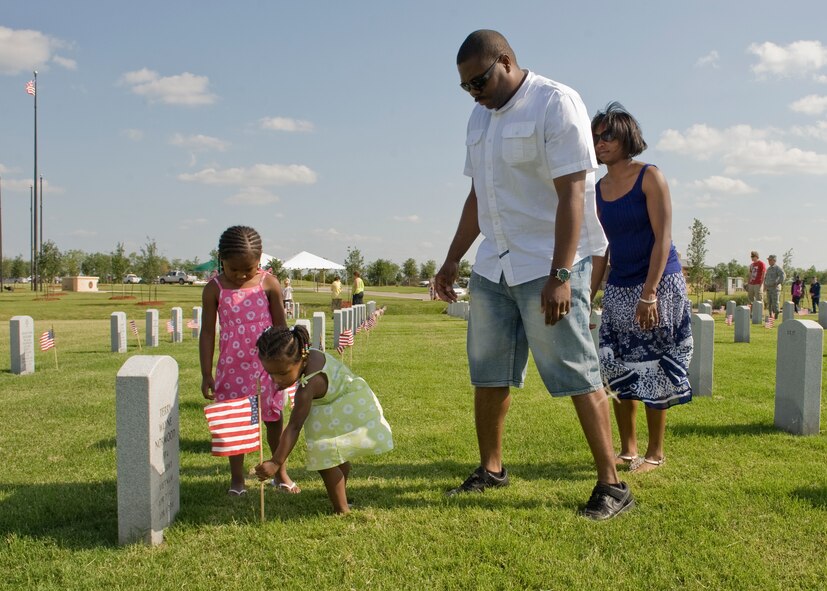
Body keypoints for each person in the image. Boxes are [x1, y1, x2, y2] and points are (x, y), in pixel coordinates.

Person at [435, 30, 633, 520]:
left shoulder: (555, 103)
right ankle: (491, 469)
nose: (474, 92)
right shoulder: (479, 118)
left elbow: (571, 194)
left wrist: (561, 273)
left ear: (506, 60)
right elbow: (478, 196)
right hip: (494, 265)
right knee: (489, 373)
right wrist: (452, 258)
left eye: (479, 80)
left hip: (549, 263)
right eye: (465, 86)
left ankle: (611, 484)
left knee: (575, 370)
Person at [590, 102, 693, 474]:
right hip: (619, 286)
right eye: (595, 136)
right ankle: (628, 449)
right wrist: (588, 298)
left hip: (659, 282)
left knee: (654, 366)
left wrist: (649, 293)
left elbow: (663, 238)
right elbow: (601, 249)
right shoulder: (597, 190)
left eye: (608, 135)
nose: (599, 142)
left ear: (626, 137)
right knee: (617, 366)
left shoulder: (650, 177)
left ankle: (655, 453)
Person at [199, 225, 299, 496]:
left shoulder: (269, 283)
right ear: (222, 259)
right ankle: (237, 480)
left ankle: (280, 473)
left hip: (268, 369)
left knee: (274, 420)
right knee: (236, 424)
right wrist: (206, 373)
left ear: (260, 259)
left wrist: (289, 366)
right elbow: (207, 333)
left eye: (250, 269)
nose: (243, 275)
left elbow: (281, 327)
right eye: (235, 270)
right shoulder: (214, 289)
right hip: (231, 370)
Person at [254, 325, 393, 514]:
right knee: (337, 453)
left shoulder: (309, 386)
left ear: (300, 359)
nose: (276, 379)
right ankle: (340, 495)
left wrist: (276, 462)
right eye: (271, 373)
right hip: (346, 399)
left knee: (325, 459)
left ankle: (341, 509)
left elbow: (294, 426)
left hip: (345, 407)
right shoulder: (309, 353)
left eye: (283, 373)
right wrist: (285, 378)